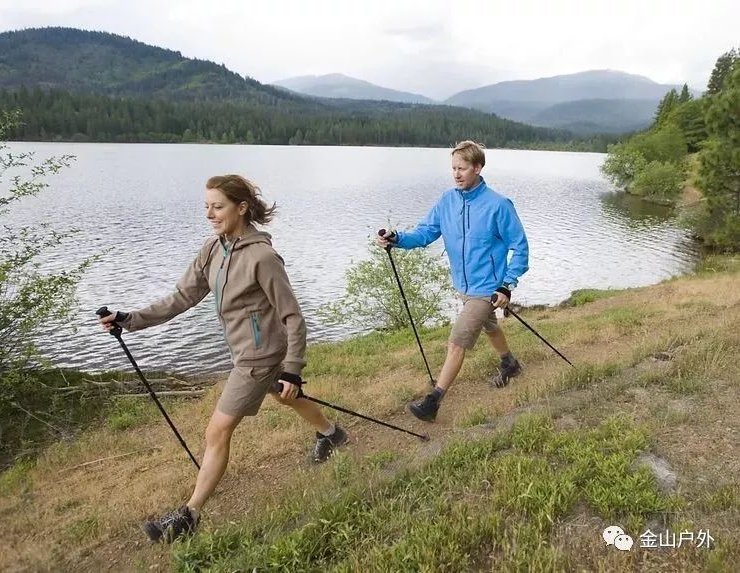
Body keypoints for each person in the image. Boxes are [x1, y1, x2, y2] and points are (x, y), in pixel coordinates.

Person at [98, 174, 347, 543]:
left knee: (216, 430)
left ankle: (189, 516)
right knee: (285, 396)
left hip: (258, 357)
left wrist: (293, 369)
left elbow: (293, 316)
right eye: (207, 207)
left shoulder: (262, 257)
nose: (210, 214)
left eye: (218, 206)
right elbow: (182, 297)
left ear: (241, 208)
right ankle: (333, 434)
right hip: (249, 349)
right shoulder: (214, 249)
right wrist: (130, 319)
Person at [378, 140, 529, 423]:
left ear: (478, 168)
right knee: (489, 326)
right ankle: (509, 363)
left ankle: (433, 402)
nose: (456, 174)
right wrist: (397, 239)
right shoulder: (447, 200)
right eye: (453, 169)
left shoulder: (498, 205)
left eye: (462, 168)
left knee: (457, 341)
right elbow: (425, 233)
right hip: (463, 284)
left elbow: (520, 247)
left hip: (487, 287)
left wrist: (506, 284)